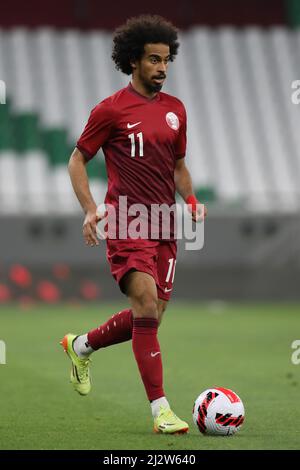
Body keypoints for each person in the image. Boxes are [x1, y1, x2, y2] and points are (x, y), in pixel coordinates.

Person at [61, 14, 206, 434]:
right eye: (154, 60)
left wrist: (192, 199)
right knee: (144, 303)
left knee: (152, 316)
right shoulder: (110, 110)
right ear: (133, 61)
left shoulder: (176, 111)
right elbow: (76, 161)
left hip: (164, 224)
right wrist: (90, 209)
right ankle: (161, 410)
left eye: (166, 60)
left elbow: (178, 166)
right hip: (126, 220)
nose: (162, 68)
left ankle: (81, 345)